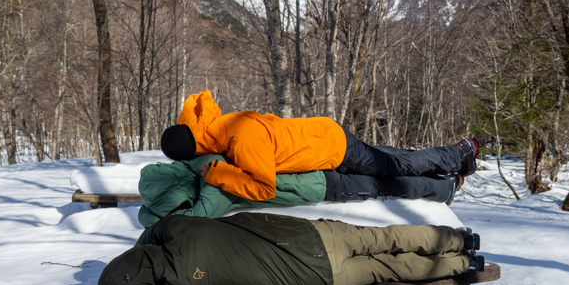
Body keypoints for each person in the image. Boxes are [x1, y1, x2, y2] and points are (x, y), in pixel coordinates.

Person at [98, 212, 483, 285]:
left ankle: (462, 266)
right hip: (310, 237)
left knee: (387, 268)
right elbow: (154, 233)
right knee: (385, 238)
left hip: (318, 283)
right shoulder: (176, 229)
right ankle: (459, 238)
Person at [159, 89, 478, 202]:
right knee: (394, 162)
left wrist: (219, 175)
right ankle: (450, 180)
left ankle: (458, 155)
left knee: (396, 167)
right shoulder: (224, 124)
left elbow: (264, 188)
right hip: (322, 136)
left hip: (331, 148)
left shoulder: (241, 140)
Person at [136, 154, 463, 227]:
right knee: (389, 163)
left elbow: (195, 219)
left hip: (316, 183)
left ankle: (443, 188)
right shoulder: (203, 159)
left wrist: (152, 215)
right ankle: (443, 173)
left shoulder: (215, 184)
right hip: (312, 159)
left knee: (386, 185)